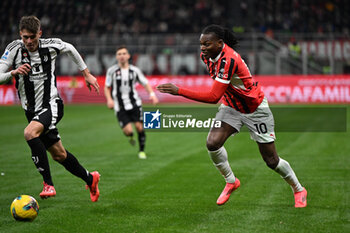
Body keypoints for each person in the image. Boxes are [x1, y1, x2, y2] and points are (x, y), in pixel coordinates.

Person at [157, 24, 307, 208]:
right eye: (201, 44)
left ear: (220, 43)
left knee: (271, 161)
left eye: (207, 44)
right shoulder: (207, 55)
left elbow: (213, 97)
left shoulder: (229, 60)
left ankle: (298, 189)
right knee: (212, 143)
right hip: (231, 106)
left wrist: (179, 90)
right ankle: (231, 181)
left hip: (255, 108)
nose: (203, 48)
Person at [0, 16, 100, 202]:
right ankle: (90, 178)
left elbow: (70, 48)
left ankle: (48, 184)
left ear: (40, 33)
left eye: (32, 37)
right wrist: (12, 73)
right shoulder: (13, 49)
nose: (29, 41)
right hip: (31, 111)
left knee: (30, 133)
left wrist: (86, 74)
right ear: (20, 35)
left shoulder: (51, 45)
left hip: (51, 105)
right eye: (25, 37)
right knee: (59, 154)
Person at [104, 46, 158, 159]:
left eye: (124, 53)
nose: (122, 56)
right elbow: (107, 87)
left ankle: (142, 151)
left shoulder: (135, 71)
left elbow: (145, 83)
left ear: (128, 56)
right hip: (120, 106)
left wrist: (152, 95)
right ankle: (130, 136)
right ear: (116, 57)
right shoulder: (112, 71)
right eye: (119, 54)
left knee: (139, 127)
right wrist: (109, 100)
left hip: (134, 103)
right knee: (128, 131)